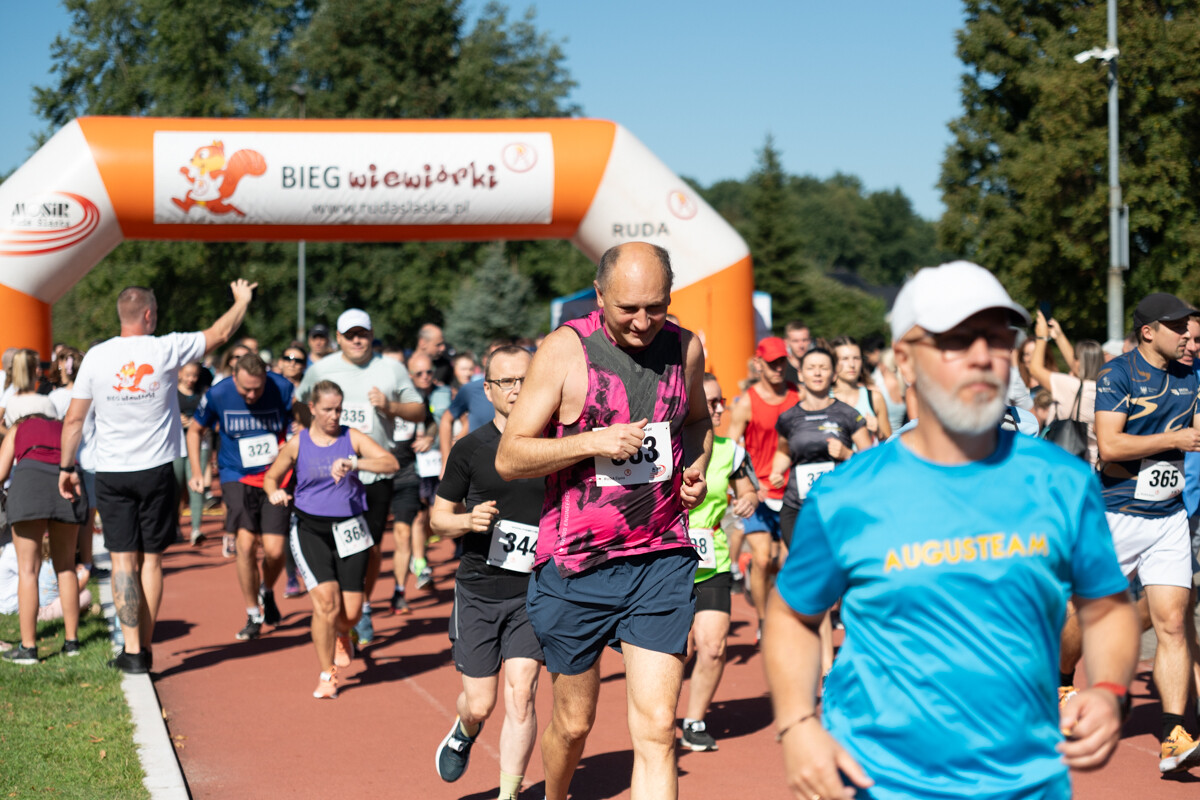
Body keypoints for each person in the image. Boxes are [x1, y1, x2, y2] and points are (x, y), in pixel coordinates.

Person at [764, 260, 1140, 800]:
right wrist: (797, 726)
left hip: (1028, 784)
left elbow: (1105, 608)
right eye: (957, 341)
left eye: (996, 337)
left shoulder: (1061, 481)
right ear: (904, 361)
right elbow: (791, 614)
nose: (984, 356)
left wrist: (1107, 690)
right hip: (879, 782)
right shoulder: (848, 496)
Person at [496, 241, 712, 800]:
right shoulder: (565, 351)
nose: (643, 322)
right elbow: (511, 455)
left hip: (660, 557)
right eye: (628, 309)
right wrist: (592, 440)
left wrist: (696, 468)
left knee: (658, 728)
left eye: (656, 307)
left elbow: (697, 421)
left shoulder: (685, 348)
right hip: (576, 567)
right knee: (573, 725)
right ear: (599, 296)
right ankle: (555, 793)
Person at [59, 280, 256, 674]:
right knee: (151, 561)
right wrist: (242, 301)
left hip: (112, 471)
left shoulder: (97, 357)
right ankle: (144, 647)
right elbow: (221, 333)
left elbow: (75, 419)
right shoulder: (165, 347)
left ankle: (132, 652)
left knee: (121, 561)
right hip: (156, 470)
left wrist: (66, 468)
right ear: (148, 315)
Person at [1090, 292, 1200, 773]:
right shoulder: (1116, 375)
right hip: (1116, 515)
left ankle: (1174, 734)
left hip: (1169, 516)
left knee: (1174, 621)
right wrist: (1173, 439)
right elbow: (1110, 447)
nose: (1188, 338)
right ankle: (1061, 678)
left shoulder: (1191, 376)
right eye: (1178, 329)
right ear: (1148, 332)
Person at [430, 346, 545, 798]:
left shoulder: (553, 443)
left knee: (523, 694)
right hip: (479, 589)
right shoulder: (470, 449)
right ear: (488, 389)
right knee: (481, 702)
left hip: (533, 591)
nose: (516, 389)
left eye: (524, 379)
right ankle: (464, 728)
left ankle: (508, 793)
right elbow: (438, 519)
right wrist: (466, 521)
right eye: (505, 382)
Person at [263, 380, 399, 699]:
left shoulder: (351, 437)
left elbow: (390, 463)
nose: (335, 415)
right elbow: (272, 476)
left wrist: (355, 463)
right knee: (326, 601)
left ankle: (343, 632)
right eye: (328, 410)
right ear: (312, 409)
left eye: (339, 409)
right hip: (310, 528)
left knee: (350, 613)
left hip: (350, 528)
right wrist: (275, 492)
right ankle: (327, 673)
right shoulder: (298, 443)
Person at [297, 309, 424, 647]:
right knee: (334, 547)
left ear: (371, 335)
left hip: (372, 475)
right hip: (330, 479)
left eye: (362, 333)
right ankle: (338, 606)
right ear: (338, 338)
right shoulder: (321, 370)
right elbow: (299, 406)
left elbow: (419, 409)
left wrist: (390, 406)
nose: (357, 339)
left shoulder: (390, 369)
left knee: (368, 548)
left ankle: (361, 607)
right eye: (349, 334)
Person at [679, 373, 759, 752]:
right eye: (709, 402)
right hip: (668, 558)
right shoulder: (671, 446)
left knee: (712, 646)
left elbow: (747, 491)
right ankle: (658, 716)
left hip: (713, 558)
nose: (717, 409)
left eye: (720, 402)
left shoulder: (731, 451)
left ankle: (694, 720)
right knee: (676, 651)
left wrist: (748, 501)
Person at [188, 353, 294, 640]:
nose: (251, 395)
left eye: (257, 389)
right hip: (237, 475)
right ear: (234, 377)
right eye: (245, 389)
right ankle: (253, 613)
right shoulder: (218, 394)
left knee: (274, 551)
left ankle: (266, 590)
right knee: (245, 545)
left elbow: (300, 422)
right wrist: (197, 471)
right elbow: (195, 431)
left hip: (276, 476)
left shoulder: (282, 388)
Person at [726, 336, 800, 637]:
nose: (778, 368)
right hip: (758, 492)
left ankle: (764, 589)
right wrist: (740, 489)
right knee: (763, 556)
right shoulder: (747, 403)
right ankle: (764, 620)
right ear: (759, 364)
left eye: (782, 361)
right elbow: (729, 451)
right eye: (772, 363)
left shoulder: (799, 396)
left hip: (792, 491)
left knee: (784, 559)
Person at [0, 413, 88, 663]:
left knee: (28, 570)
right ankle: (72, 643)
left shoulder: (20, 427)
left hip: (30, 486)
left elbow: (1, 471)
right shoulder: (62, 426)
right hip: (69, 484)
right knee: (66, 567)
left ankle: (28, 648)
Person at [390, 351, 449, 607]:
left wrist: (430, 438)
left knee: (423, 520)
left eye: (429, 373)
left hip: (421, 469)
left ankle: (412, 569)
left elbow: (437, 421)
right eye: (420, 374)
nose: (426, 377)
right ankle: (419, 563)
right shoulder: (397, 397)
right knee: (414, 518)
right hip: (393, 471)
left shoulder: (431, 396)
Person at [830, 336, 891, 442]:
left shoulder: (874, 398)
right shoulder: (824, 399)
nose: (852, 364)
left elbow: (890, 445)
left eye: (856, 358)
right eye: (845, 359)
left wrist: (879, 432)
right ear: (833, 363)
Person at [176, 361, 210, 546]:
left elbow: (211, 418)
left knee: (196, 486)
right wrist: (177, 420)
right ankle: (174, 525)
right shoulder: (171, 392)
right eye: (188, 374)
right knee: (177, 486)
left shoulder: (202, 393)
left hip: (199, 445)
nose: (191, 379)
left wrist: (198, 425)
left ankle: (196, 529)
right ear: (180, 373)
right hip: (176, 446)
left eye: (194, 375)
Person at [2, 350, 57, 427]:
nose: (41, 369)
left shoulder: (11, 401)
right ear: (35, 370)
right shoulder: (44, 402)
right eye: (38, 365)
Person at [782, 320, 811, 386]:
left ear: (810, 340)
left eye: (804, 340)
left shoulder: (817, 368)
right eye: (795, 341)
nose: (801, 345)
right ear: (786, 342)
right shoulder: (781, 370)